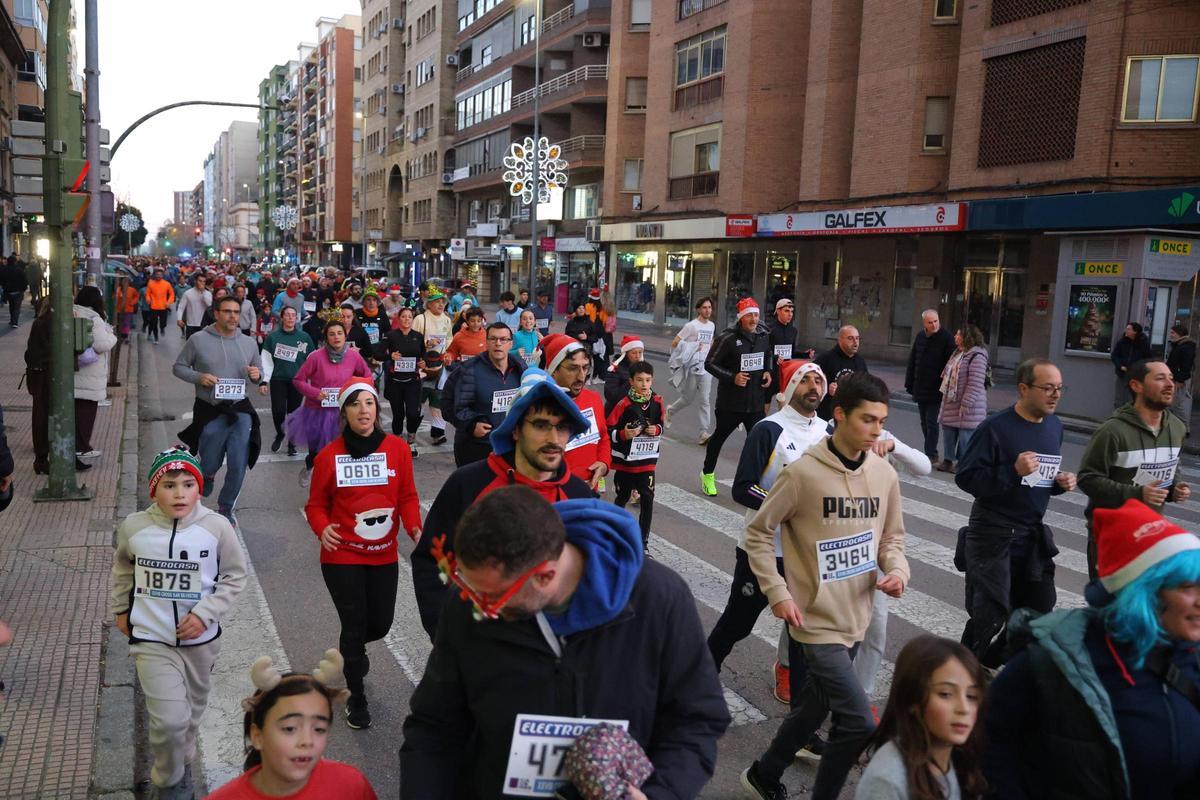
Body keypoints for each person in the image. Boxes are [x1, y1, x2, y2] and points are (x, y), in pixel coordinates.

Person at [399, 487, 731, 799]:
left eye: (491, 600)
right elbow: (434, 727)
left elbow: (697, 720)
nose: (476, 607)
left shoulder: (659, 599)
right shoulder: (471, 603)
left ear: (544, 576)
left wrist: (659, 794)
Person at [740, 373, 909, 800]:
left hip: (857, 612)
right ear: (840, 415)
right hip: (813, 617)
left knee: (812, 706)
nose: (876, 431)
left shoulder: (884, 475)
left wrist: (897, 570)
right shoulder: (803, 475)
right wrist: (777, 592)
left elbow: (892, 538)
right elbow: (760, 532)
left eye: (881, 421)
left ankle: (764, 773)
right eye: (867, 420)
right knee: (857, 722)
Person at [983, 499, 1200, 800]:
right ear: (1144, 594)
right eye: (1187, 588)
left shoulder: (1189, 656)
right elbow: (990, 752)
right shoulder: (1052, 662)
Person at [411, 368, 595, 637]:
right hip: (479, 651)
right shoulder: (469, 484)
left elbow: (591, 580)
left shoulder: (581, 496)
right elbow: (433, 560)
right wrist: (446, 633)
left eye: (562, 427)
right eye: (541, 425)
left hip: (551, 661)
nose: (554, 439)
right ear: (516, 429)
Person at [111, 447, 248, 800]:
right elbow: (124, 566)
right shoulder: (135, 527)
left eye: (188, 484)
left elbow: (234, 576)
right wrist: (121, 610)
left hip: (200, 644)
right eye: (169, 485)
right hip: (151, 640)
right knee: (169, 722)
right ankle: (168, 785)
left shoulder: (217, 527)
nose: (179, 493)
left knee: (188, 718)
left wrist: (205, 613)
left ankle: (181, 766)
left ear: (199, 488)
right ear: (153, 489)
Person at [303, 378, 421, 729]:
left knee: (380, 623)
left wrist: (414, 526)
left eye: (368, 403)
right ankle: (357, 695)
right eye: (355, 404)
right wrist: (321, 527)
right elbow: (316, 505)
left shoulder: (397, 449)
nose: (363, 410)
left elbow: (407, 497)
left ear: (376, 409)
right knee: (353, 625)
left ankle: (355, 652)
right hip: (342, 555)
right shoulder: (329, 456)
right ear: (345, 413)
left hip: (383, 553)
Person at [713, 361, 829, 705]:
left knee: (802, 635)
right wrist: (787, 508)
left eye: (818, 380)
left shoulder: (829, 432)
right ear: (790, 388)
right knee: (738, 624)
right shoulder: (768, 429)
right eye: (805, 379)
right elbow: (742, 488)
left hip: (805, 554)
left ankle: (799, 724)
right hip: (763, 550)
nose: (813, 386)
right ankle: (698, 677)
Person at [953, 359, 1076, 669]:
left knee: (1038, 611)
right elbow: (966, 477)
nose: (1055, 394)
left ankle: (993, 662)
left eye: (1059, 388)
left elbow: (1039, 481)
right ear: (1023, 389)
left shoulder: (1054, 426)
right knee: (989, 615)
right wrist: (1011, 471)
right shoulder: (996, 428)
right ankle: (963, 673)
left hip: (1031, 534)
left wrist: (1059, 483)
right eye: (1047, 388)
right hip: (993, 531)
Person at [206, 653, 377, 799]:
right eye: (290, 728)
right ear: (257, 737)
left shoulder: (351, 786)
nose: (307, 741)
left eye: (318, 729)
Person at [1078, 358, 1192, 578]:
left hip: (1152, 532)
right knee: (1112, 608)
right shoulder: (1112, 431)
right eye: (1160, 378)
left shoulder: (1176, 427)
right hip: (1112, 535)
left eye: (1170, 378)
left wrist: (1175, 487)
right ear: (1136, 386)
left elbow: (1171, 465)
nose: (1169, 384)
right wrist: (1137, 493)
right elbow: (1087, 478)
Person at [855, 635, 988, 800]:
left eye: (971, 696)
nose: (964, 708)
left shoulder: (960, 758)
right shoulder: (887, 780)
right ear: (913, 700)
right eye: (946, 694)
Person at [173, 295, 267, 526]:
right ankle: (209, 474)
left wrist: (258, 376)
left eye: (237, 312)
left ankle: (225, 507)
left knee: (238, 461)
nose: (233, 316)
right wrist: (199, 377)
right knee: (209, 461)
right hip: (210, 409)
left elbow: (259, 372)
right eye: (227, 311)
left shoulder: (248, 343)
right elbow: (178, 367)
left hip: (240, 410)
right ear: (216, 313)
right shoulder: (198, 339)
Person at [287, 319, 373, 488]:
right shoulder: (316, 357)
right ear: (326, 338)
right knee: (316, 454)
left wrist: (356, 393)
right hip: (317, 412)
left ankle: (337, 487)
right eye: (332, 334)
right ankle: (310, 466)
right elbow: (298, 380)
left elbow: (367, 376)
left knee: (344, 451)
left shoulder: (354, 356)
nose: (336, 337)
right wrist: (315, 393)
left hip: (345, 412)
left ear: (345, 335)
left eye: (340, 333)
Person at [700, 297, 773, 496]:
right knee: (718, 439)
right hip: (730, 403)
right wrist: (733, 377)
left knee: (759, 443)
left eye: (756, 315)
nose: (754, 319)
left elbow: (768, 355)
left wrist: (768, 371)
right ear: (741, 317)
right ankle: (707, 474)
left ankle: (755, 481)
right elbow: (710, 363)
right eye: (749, 315)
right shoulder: (728, 337)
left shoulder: (764, 334)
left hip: (755, 403)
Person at [541, 333, 610, 492]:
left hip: (589, 492)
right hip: (555, 496)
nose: (581, 376)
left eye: (585, 367)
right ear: (553, 371)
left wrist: (604, 464)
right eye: (573, 368)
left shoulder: (593, 399)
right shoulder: (539, 407)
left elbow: (603, 437)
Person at [607, 361, 664, 550]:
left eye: (648, 380)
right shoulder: (623, 404)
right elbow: (609, 431)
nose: (644, 384)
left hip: (647, 461)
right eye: (639, 380)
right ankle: (613, 535)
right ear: (631, 381)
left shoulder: (657, 402)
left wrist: (655, 429)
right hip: (626, 463)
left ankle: (643, 542)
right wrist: (624, 434)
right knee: (622, 497)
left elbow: (662, 425)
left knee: (647, 499)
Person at [451, 321, 525, 466]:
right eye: (493, 339)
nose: (498, 343)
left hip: (510, 446)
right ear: (486, 342)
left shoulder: (520, 368)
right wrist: (471, 424)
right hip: (477, 448)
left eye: (503, 339)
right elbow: (450, 404)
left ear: (511, 344)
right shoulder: (469, 369)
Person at [261, 305, 314, 457]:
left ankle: (292, 443)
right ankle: (280, 433)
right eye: (287, 315)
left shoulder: (304, 338)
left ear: (296, 318)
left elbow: (312, 359)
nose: (291, 317)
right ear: (282, 317)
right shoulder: (273, 337)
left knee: (294, 413)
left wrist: (314, 380)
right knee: (278, 410)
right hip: (278, 379)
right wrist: (264, 381)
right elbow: (266, 360)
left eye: (293, 315)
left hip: (297, 381)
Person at [72, 285, 117, 463]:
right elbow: (102, 345)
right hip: (89, 375)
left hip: (77, 372)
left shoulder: (75, 312)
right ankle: (83, 447)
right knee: (86, 413)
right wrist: (112, 335)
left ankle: (78, 446)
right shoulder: (94, 318)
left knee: (77, 413)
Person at [905, 309, 956, 462]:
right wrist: (910, 382)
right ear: (924, 323)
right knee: (924, 421)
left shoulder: (946, 337)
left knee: (931, 421)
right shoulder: (921, 336)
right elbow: (913, 359)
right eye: (930, 322)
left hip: (936, 388)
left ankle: (931, 454)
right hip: (920, 386)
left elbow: (950, 364)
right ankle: (930, 451)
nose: (934, 325)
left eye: (936, 321)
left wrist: (944, 386)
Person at [937, 325, 989, 473]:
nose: (955, 337)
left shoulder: (977, 356)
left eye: (958, 334)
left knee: (966, 434)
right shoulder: (958, 353)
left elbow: (975, 382)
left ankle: (962, 463)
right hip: (952, 401)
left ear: (966, 337)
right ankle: (948, 460)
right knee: (948, 431)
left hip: (969, 404)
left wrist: (966, 402)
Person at [668, 296, 716, 444]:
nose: (707, 310)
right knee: (688, 398)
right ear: (698, 310)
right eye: (704, 308)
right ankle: (670, 411)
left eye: (709, 307)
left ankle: (703, 433)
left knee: (705, 400)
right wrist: (692, 346)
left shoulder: (712, 325)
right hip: (692, 367)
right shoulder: (691, 326)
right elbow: (675, 342)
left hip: (706, 367)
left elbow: (710, 342)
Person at [413, 290, 453, 445]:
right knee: (419, 400)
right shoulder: (420, 319)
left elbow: (449, 338)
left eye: (443, 301)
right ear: (429, 303)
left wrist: (448, 353)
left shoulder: (446, 320)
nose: (441, 304)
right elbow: (412, 340)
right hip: (422, 365)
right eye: (437, 301)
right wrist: (426, 344)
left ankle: (438, 434)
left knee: (438, 400)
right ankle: (412, 434)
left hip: (441, 365)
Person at [383, 305, 426, 451]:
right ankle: (397, 439)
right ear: (398, 319)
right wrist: (390, 356)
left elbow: (423, 356)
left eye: (409, 317)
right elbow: (378, 353)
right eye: (403, 316)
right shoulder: (391, 335)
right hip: (395, 381)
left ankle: (411, 439)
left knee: (413, 413)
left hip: (413, 381)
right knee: (398, 414)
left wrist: (423, 362)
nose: (406, 319)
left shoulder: (418, 336)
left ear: (412, 319)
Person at [814, 324, 868, 421]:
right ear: (840, 340)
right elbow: (810, 382)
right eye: (850, 338)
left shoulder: (860, 361)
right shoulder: (826, 359)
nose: (855, 343)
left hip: (850, 416)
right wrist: (825, 389)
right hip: (826, 416)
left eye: (857, 338)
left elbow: (866, 386)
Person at [1110, 322, 1152, 408]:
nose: (1126, 330)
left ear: (1135, 332)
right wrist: (1120, 366)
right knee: (1119, 399)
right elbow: (1114, 355)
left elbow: (1148, 359)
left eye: (1129, 329)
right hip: (1122, 374)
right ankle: (1118, 417)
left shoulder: (1143, 344)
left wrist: (1137, 369)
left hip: (1135, 375)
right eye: (1126, 328)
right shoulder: (1122, 342)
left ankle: (1130, 417)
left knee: (1132, 398)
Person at [602, 335, 645, 415]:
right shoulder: (615, 369)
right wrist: (631, 382)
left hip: (634, 413)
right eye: (634, 353)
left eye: (640, 352)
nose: (638, 356)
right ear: (626, 353)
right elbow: (610, 396)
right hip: (616, 414)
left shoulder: (641, 368)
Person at [1167, 323, 1195, 434]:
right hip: (1174, 377)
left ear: (1180, 334)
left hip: (1179, 380)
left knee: (1175, 403)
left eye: (1173, 333)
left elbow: (1186, 366)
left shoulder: (1186, 347)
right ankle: (1174, 426)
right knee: (1171, 403)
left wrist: (1180, 380)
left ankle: (1185, 427)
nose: (1171, 335)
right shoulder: (1178, 345)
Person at [145, 267, 176, 344]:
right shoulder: (151, 284)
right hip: (153, 307)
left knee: (163, 323)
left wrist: (169, 302)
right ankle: (156, 338)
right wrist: (148, 299)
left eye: (160, 275)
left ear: (162, 275)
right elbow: (147, 294)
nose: (158, 276)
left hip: (163, 307)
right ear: (155, 275)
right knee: (153, 323)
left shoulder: (167, 284)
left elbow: (172, 294)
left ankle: (162, 328)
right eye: (157, 275)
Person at [0, 254, 28, 328]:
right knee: (17, 307)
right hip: (18, 291)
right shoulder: (19, 270)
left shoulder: (4, 270)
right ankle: (15, 322)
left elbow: (1, 280)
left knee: (12, 306)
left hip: (8, 292)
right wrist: (23, 289)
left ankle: (12, 320)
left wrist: (4, 287)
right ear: (15, 261)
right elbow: (24, 280)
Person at [116, 277, 140, 341]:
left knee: (126, 323)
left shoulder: (132, 290)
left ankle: (125, 336)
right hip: (119, 309)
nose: (125, 283)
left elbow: (137, 296)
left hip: (129, 309)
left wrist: (133, 302)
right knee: (119, 322)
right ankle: (120, 335)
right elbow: (115, 297)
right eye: (123, 282)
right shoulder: (118, 289)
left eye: (126, 282)